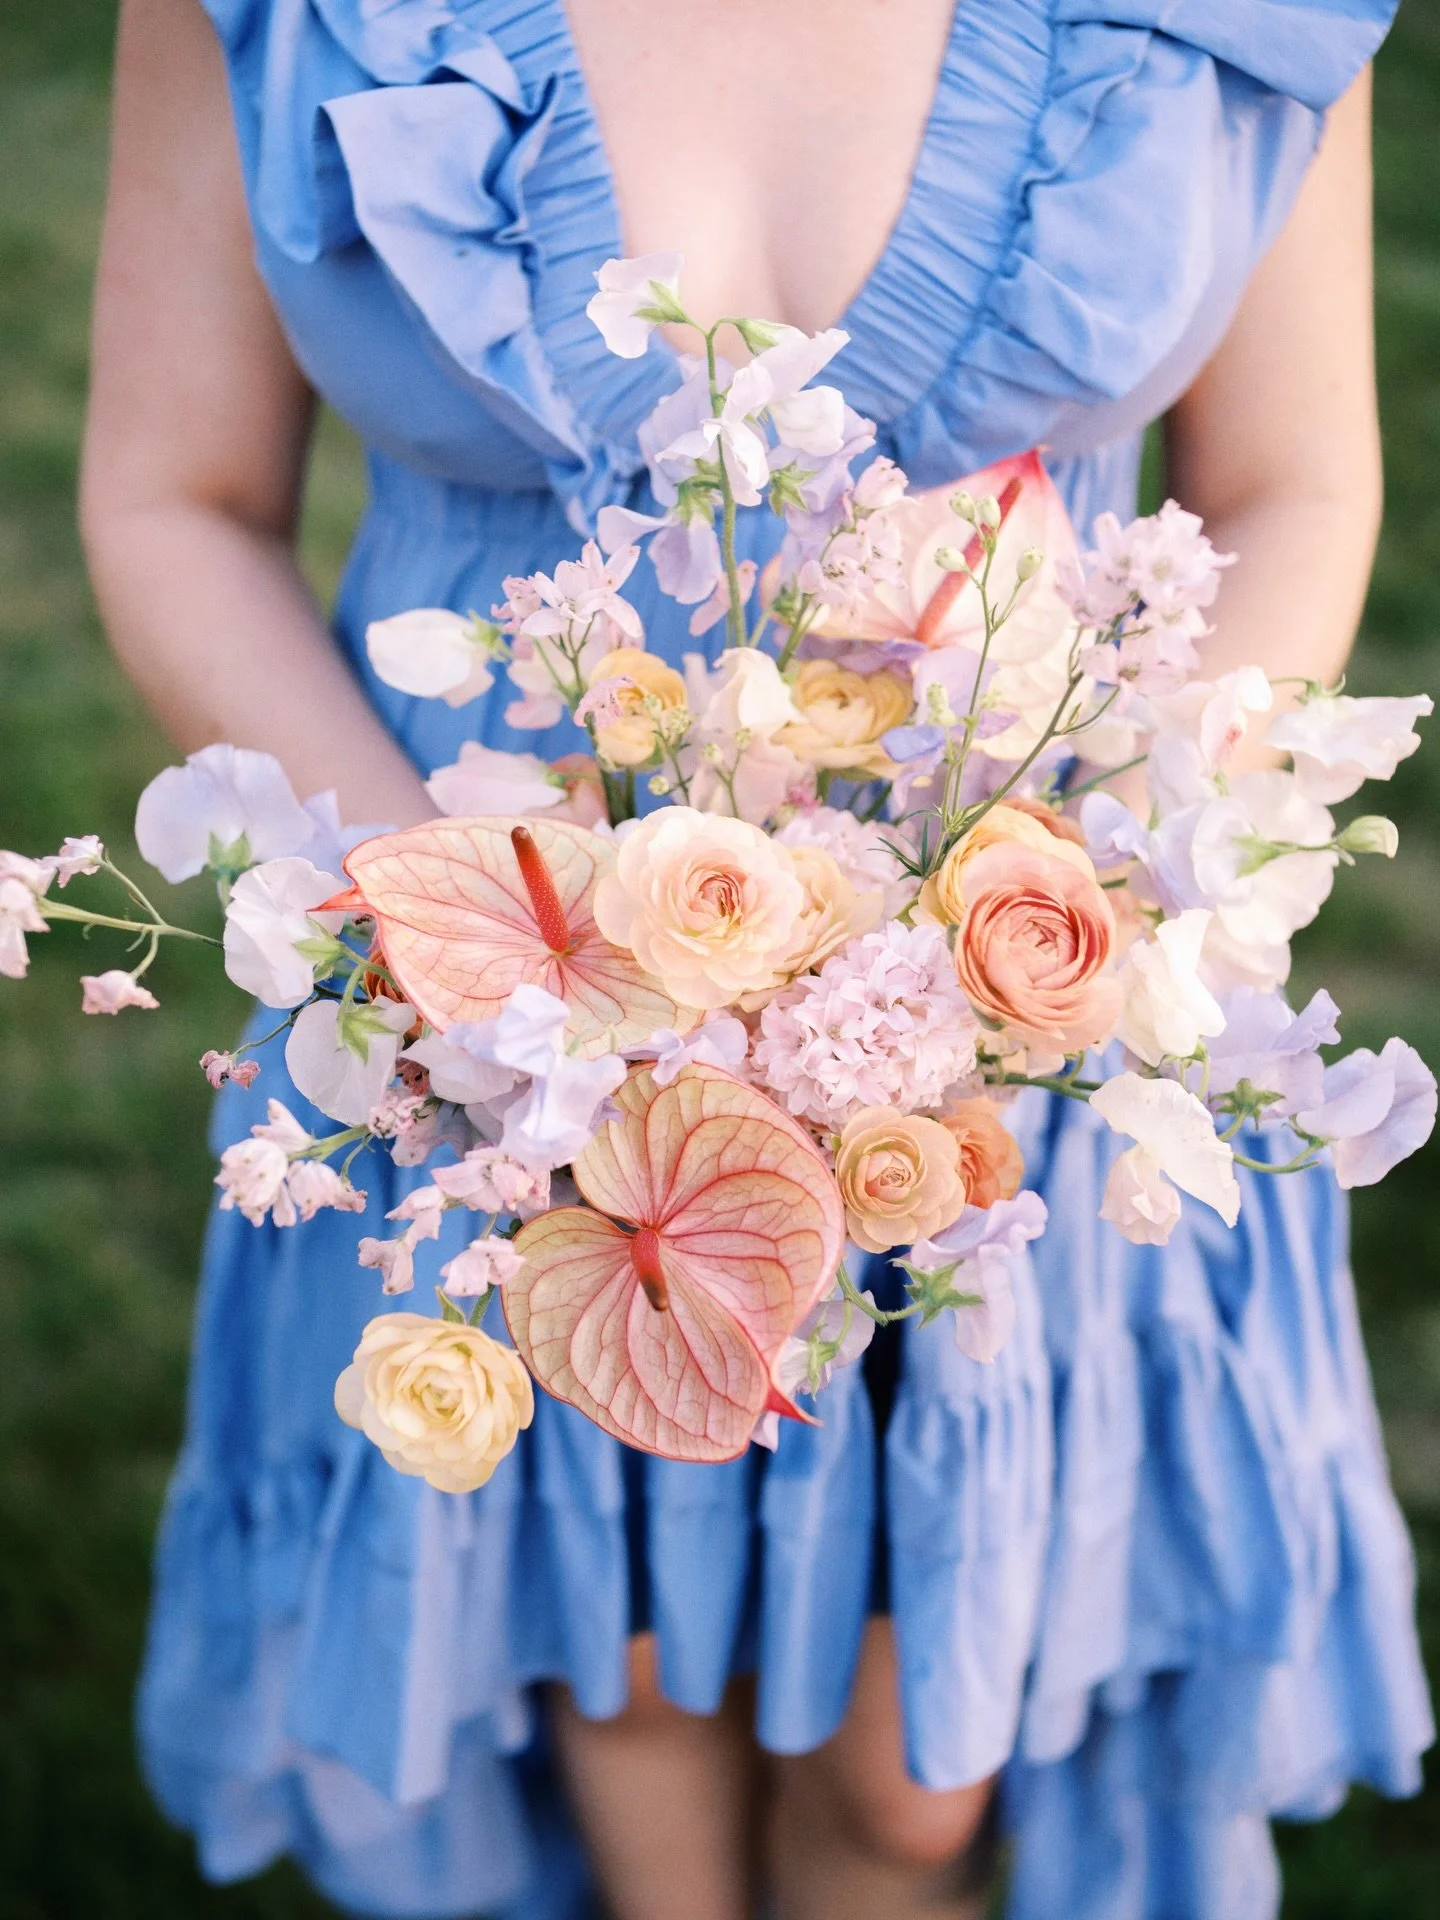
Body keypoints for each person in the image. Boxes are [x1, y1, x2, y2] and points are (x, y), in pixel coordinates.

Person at [80, 3, 1432, 1917]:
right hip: (492, 1035)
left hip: (1029, 1027)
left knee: (913, 1781)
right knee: (623, 1690)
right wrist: (478, 960)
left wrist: (1066, 919)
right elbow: (171, 499)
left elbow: (1300, 475)